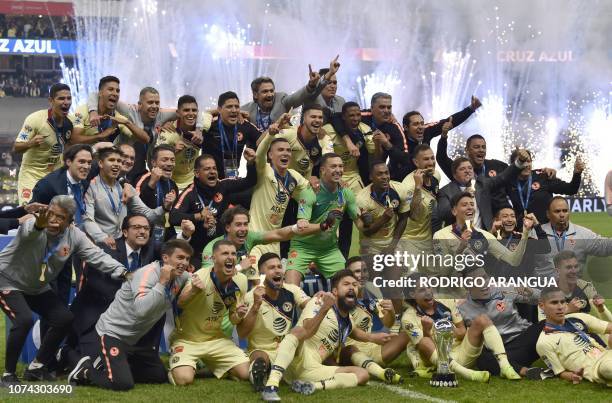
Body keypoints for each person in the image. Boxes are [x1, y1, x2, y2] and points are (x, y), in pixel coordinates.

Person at [0, 196, 128, 385]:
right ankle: (8, 374)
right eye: (51, 214)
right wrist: (37, 225)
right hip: (7, 279)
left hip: (36, 286)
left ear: (70, 222)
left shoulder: (75, 235)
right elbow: (29, 234)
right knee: (24, 319)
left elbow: (97, 256)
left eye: (60, 218)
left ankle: (36, 368)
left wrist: (123, 271)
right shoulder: (33, 223)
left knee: (64, 318)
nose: (53, 220)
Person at [68, 239, 193, 390]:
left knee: (158, 376)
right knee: (122, 384)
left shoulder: (182, 276)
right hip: (112, 334)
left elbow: (196, 281)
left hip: (135, 340)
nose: (184, 262)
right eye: (180, 257)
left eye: (187, 259)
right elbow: (142, 310)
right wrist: (161, 283)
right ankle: (86, 370)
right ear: (165, 258)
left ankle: (113, 366)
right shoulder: (146, 274)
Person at [62, 214, 170, 371]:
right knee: (94, 364)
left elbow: (172, 250)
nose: (142, 232)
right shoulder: (107, 249)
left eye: (146, 228)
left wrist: (186, 236)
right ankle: (66, 353)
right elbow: (96, 282)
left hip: (130, 316)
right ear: (125, 232)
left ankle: (147, 352)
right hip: (99, 312)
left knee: (157, 307)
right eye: (137, 227)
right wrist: (128, 299)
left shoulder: (152, 249)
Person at [262, 270, 383, 401]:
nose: (352, 287)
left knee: (362, 374)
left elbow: (356, 333)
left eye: (354, 285)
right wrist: (324, 308)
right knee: (298, 331)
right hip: (297, 358)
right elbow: (307, 330)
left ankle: (311, 386)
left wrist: (375, 338)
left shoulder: (349, 320)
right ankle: (272, 385)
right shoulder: (319, 301)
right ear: (335, 291)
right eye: (346, 284)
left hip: (312, 369)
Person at [402, 273, 518, 381]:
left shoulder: (447, 303)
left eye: (429, 286)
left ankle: (505, 366)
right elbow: (424, 350)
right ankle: (467, 374)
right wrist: (427, 330)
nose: (428, 292)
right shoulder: (408, 318)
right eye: (422, 290)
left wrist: (451, 328)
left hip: (461, 352)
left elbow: (462, 332)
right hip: (436, 361)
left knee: (482, 319)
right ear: (412, 294)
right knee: (424, 341)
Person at [169, 240, 250, 386]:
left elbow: (233, 319)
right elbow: (181, 302)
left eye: (233, 254)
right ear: (213, 258)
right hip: (188, 339)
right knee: (184, 379)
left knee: (246, 373)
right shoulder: (201, 276)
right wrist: (194, 291)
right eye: (225, 253)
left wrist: (238, 314)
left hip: (215, 339)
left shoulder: (241, 280)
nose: (230, 257)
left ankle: (217, 367)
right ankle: (177, 366)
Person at [87, 86, 208, 182]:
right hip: (119, 161)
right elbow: (94, 94)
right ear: (140, 104)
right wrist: (93, 112)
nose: (154, 106)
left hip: (142, 164)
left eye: (157, 103)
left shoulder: (162, 114)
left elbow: (195, 110)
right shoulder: (129, 110)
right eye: (150, 102)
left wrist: (198, 130)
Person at [247, 119, 316, 276]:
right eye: (280, 150)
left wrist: (303, 216)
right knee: (253, 278)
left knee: (274, 281)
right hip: (255, 236)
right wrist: (270, 136)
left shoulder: (294, 176)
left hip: (275, 240)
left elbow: (309, 194)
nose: (285, 153)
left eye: (288, 150)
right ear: (271, 155)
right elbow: (259, 155)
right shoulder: (264, 171)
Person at [286, 153, 365, 286]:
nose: (338, 170)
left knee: (348, 287)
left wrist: (368, 219)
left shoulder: (347, 193)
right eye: (333, 166)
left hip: (329, 249)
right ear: (322, 170)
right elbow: (302, 228)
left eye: (341, 166)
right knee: (290, 288)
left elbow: (361, 226)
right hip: (302, 247)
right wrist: (324, 225)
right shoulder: (310, 192)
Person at [170, 150, 257, 269]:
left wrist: (251, 164)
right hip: (196, 251)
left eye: (214, 168)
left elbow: (250, 181)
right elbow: (173, 216)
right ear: (196, 173)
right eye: (207, 169)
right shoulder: (190, 193)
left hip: (221, 248)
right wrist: (198, 216)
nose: (212, 172)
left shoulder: (223, 185)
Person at [237, 253, 311, 391]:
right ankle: (259, 376)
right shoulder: (251, 297)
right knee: (259, 358)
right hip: (261, 349)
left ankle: (270, 371)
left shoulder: (292, 290)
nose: (277, 270)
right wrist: (255, 307)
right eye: (271, 268)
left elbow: (310, 307)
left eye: (279, 266)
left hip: (286, 347)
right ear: (262, 274)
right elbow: (242, 333)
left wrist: (317, 302)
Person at [459, 266, 545, 378]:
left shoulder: (504, 289)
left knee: (548, 325)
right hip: (499, 353)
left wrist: (530, 291)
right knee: (482, 359)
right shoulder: (462, 309)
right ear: (467, 286)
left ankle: (568, 367)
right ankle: (525, 371)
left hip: (524, 341)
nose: (484, 284)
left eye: (485, 278)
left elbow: (544, 299)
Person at [83, 146, 173, 248]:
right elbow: (87, 219)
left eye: (119, 161)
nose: (116, 164)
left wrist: (164, 207)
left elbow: (147, 215)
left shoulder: (126, 188)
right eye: (112, 160)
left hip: (121, 246)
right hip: (99, 245)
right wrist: (102, 238)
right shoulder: (90, 187)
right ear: (100, 163)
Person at [201, 206, 322, 279]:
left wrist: (296, 227)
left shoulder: (249, 237)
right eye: (238, 225)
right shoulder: (211, 249)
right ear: (228, 227)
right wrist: (239, 267)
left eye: (245, 224)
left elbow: (277, 234)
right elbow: (211, 279)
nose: (243, 229)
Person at [432, 192, 533, 280]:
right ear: (454, 211)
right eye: (464, 205)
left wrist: (525, 233)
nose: (470, 207)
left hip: (481, 289)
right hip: (456, 293)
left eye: (472, 204)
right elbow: (444, 273)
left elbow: (513, 260)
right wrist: (461, 248)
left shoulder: (485, 235)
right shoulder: (440, 235)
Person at [324, 101, 375, 257]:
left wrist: (380, 143)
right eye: (351, 115)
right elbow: (325, 156)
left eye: (358, 115)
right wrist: (337, 179)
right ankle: (328, 257)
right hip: (331, 178)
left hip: (353, 176)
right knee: (334, 218)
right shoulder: (328, 131)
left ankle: (368, 256)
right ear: (343, 117)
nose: (355, 118)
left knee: (364, 213)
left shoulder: (365, 130)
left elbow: (374, 151)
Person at [343, 258, 406, 383]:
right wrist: (373, 337)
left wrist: (391, 312)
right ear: (347, 275)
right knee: (350, 350)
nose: (362, 275)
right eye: (357, 271)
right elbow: (350, 330)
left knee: (407, 333)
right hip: (349, 349)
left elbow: (386, 323)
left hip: (372, 345)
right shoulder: (343, 295)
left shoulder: (372, 288)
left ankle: (423, 365)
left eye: (365, 271)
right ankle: (375, 369)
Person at [434, 150, 529, 231]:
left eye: (470, 168)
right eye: (462, 169)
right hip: (457, 237)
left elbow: (503, 177)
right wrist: (462, 195)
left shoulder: (482, 184)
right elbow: (444, 214)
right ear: (454, 175)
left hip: (483, 236)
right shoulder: (445, 191)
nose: (467, 171)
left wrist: (519, 162)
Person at [536, 287, 612, 386]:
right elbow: (560, 372)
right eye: (554, 303)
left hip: (607, 353)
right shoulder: (543, 342)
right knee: (608, 368)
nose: (560, 307)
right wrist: (573, 376)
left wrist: (602, 309)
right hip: (598, 367)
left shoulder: (578, 318)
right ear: (542, 306)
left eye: (563, 302)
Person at [14, 83, 75, 204]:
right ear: (51, 101)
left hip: (55, 175)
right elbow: (16, 147)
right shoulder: (35, 119)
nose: (66, 102)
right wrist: (30, 143)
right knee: (29, 213)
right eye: (61, 98)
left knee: (57, 213)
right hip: (31, 174)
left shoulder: (71, 122)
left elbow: (71, 146)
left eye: (69, 98)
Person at [242, 56, 340, 131]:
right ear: (255, 94)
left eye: (272, 91)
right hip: (257, 153)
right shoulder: (247, 109)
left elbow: (303, 94)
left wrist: (312, 84)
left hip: (282, 151)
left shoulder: (282, 100)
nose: (270, 94)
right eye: (265, 91)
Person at [535, 196, 612, 277]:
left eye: (565, 211)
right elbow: (523, 261)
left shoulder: (582, 234)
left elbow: (604, 246)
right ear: (548, 214)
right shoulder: (535, 234)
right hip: (544, 287)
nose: (562, 215)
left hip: (573, 287)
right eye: (557, 211)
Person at [505, 150, 583, 225]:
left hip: (545, 231)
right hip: (521, 231)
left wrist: (577, 173)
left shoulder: (542, 176)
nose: (526, 165)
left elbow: (571, 189)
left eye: (529, 161)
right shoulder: (508, 181)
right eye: (522, 161)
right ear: (514, 164)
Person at [436, 133, 510, 212]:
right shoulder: (460, 170)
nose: (481, 150)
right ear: (467, 150)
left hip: (498, 217)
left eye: (483, 147)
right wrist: (443, 137)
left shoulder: (498, 166)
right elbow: (441, 158)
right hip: (472, 217)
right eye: (476, 147)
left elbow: (512, 184)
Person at [400, 144, 441, 273]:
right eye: (426, 159)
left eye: (432, 158)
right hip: (409, 240)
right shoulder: (408, 186)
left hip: (427, 239)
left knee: (434, 279)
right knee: (411, 280)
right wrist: (418, 187)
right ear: (416, 162)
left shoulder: (436, 176)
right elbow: (415, 216)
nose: (431, 163)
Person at [71, 76, 147, 145]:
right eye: (110, 89)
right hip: (85, 158)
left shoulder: (118, 118)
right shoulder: (82, 110)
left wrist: (127, 123)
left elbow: (145, 139)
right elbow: (74, 139)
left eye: (117, 91)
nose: (115, 93)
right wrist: (100, 136)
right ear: (100, 93)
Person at [202, 91, 260, 180]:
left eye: (236, 107)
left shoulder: (244, 125)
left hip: (232, 180)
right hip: (210, 181)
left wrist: (273, 130)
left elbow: (262, 140)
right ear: (219, 109)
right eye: (229, 107)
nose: (234, 110)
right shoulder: (210, 125)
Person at [155, 95, 203, 191]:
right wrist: (173, 150)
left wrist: (240, 113)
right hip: (172, 183)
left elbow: (215, 112)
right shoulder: (168, 132)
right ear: (178, 113)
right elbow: (155, 159)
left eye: (194, 110)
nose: (191, 114)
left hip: (194, 182)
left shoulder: (202, 125)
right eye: (186, 110)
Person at [549, 250, 611, 321]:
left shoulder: (585, 286)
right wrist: (568, 309)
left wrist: (601, 308)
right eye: (568, 267)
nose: (574, 271)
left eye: (576, 266)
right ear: (557, 271)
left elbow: (609, 323)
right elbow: (541, 323)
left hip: (583, 329)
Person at [135, 144, 179, 242]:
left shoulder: (172, 184)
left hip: (166, 233)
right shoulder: (142, 180)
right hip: (144, 233)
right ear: (154, 163)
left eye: (172, 160)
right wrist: (152, 184)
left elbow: (174, 214)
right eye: (165, 160)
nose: (170, 163)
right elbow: (137, 210)